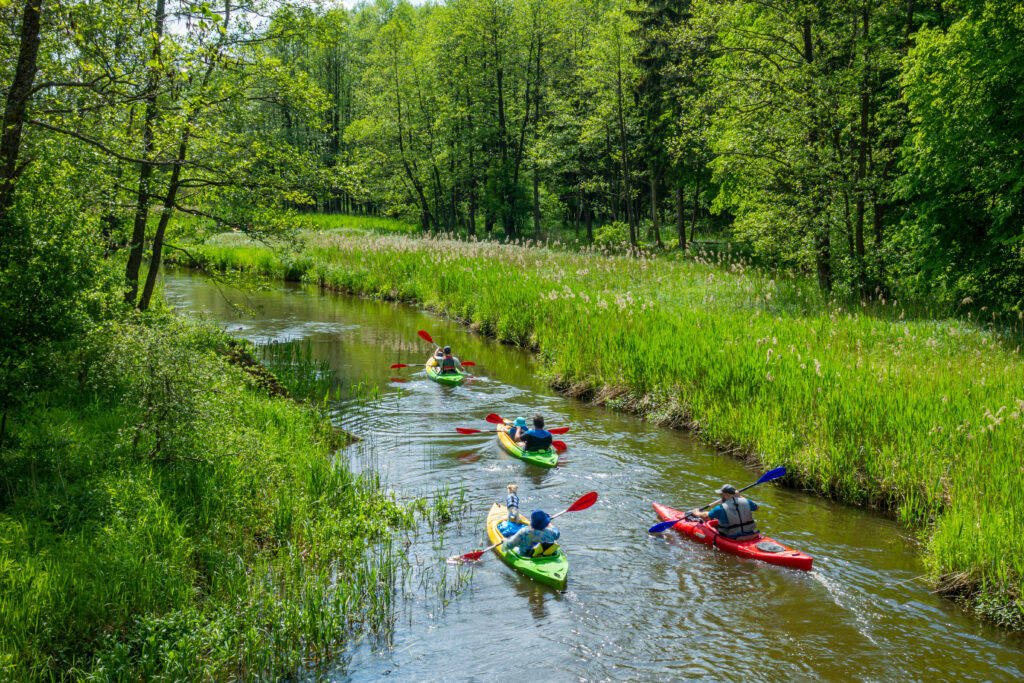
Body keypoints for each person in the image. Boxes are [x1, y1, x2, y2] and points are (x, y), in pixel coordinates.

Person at [690, 485, 760, 541]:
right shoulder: (746, 501)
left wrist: (697, 513)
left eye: (721, 494)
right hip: (751, 534)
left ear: (727, 495)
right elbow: (756, 507)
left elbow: (706, 517)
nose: (720, 496)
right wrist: (740, 496)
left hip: (733, 537)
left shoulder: (721, 508)